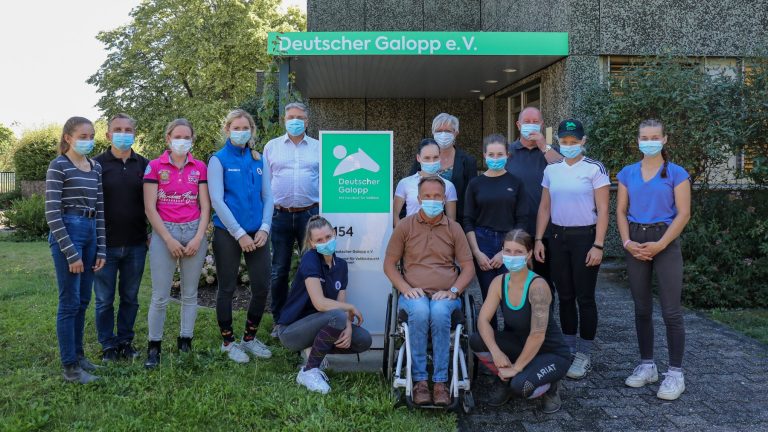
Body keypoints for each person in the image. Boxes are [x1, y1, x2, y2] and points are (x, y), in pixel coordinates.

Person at [383, 176, 476, 406]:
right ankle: (420, 381)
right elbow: (389, 264)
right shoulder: (405, 226)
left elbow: (468, 267)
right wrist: (405, 288)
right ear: (419, 198)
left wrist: (454, 290)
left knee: (439, 311)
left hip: (446, 294)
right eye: (427, 196)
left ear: (444, 199)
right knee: (421, 311)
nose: (432, 200)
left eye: (437, 196)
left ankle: (441, 382)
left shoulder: (454, 228)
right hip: (413, 294)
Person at [617, 119, 691, 401]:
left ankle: (675, 373)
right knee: (642, 308)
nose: (649, 142)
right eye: (644, 137)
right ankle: (647, 365)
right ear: (638, 140)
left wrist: (661, 244)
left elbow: (683, 213)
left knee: (671, 311)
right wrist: (627, 243)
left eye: (654, 137)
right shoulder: (627, 173)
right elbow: (621, 211)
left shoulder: (676, 173)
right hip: (635, 240)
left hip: (665, 240)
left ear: (664, 139)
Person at [534, 119, 610, 380]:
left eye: (573, 141)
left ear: (583, 141)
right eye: (564, 141)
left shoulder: (594, 169)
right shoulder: (552, 170)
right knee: (565, 295)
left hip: (585, 238)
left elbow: (603, 211)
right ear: (558, 142)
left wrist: (598, 244)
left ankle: (584, 354)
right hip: (558, 237)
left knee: (584, 297)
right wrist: (538, 239)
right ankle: (568, 349)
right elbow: (545, 207)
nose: (569, 145)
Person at [470, 229, 569, 414]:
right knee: (476, 340)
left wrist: (516, 368)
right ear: (502, 251)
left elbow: (537, 335)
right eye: (508, 251)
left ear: (529, 254)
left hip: (551, 353)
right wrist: (496, 353)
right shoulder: (499, 282)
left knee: (520, 386)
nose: (512, 256)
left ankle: (551, 386)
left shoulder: (538, 287)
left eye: (518, 252)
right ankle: (505, 378)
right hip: (521, 345)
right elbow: (483, 320)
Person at [277, 215, 372, 394]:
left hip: (320, 324)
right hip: (292, 331)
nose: (325, 242)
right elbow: (320, 304)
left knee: (363, 340)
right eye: (319, 240)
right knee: (336, 315)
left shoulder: (341, 265)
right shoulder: (310, 259)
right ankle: (309, 371)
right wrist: (350, 308)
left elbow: (340, 303)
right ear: (312, 244)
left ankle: (312, 352)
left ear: (334, 234)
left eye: (328, 237)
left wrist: (348, 328)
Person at [143, 118, 210, 368]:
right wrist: (168, 239)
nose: (182, 141)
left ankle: (185, 341)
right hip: (165, 233)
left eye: (187, 137)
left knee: (190, 294)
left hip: (193, 232)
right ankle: (154, 347)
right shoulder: (154, 166)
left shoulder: (199, 167)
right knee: (160, 296)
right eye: (177, 136)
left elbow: (205, 206)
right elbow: (150, 208)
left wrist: (198, 237)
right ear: (168, 139)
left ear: (192, 139)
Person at [208, 109, 274, 363]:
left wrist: (265, 227)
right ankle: (228, 342)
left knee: (261, 286)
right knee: (227, 287)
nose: (241, 132)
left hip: (258, 233)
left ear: (251, 131)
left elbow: (268, 197)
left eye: (245, 128)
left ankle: (249, 338)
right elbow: (217, 200)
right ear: (228, 130)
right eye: (236, 128)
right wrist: (239, 234)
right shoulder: (218, 160)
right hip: (228, 233)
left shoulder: (259, 160)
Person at [45, 116, 106, 383]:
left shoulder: (95, 167)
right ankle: (70, 367)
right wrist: (71, 253)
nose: (88, 141)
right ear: (68, 138)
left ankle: (80, 357)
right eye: (82, 136)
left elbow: (100, 209)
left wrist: (101, 249)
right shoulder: (58, 166)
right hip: (69, 232)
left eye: (91, 136)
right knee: (69, 302)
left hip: (91, 231)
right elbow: (52, 214)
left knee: (83, 301)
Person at [92, 113, 149, 362]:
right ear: (108, 135)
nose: (123, 134)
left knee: (130, 298)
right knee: (104, 300)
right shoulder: (95, 165)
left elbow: (153, 203)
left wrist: (150, 232)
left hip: (137, 243)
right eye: (118, 130)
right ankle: (108, 345)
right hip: (104, 246)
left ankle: (125, 341)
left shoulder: (145, 165)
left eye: (128, 130)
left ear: (134, 134)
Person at [263, 101, 320, 336]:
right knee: (279, 269)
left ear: (307, 121)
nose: (295, 121)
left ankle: (305, 316)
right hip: (280, 215)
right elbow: (265, 183)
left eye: (300, 117)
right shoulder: (272, 147)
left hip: (310, 215)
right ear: (284, 120)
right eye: (291, 117)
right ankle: (280, 320)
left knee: (311, 268)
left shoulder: (318, 147)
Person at [464, 134, 528, 328]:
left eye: (500, 154)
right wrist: (477, 252)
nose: (495, 158)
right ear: (484, 155)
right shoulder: (475, 184)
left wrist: (505, 252)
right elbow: (468, 220)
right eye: (491, 154)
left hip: (510, 243)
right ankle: (489, 341)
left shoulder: (516, 183)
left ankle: (510, 339)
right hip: (482, 243)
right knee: (488, 297)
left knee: (511, 297)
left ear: (507, 155)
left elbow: (522, 220)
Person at [505, 107, 562, 286]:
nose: (531, 125)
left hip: (547, 230)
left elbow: (564, 171)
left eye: (535, 122)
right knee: (516, 283)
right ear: (518, 125)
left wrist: (544, 146)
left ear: (542, 124)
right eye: (527, 122)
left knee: (545, 282)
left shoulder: (551, 151)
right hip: (515, 229)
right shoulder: (507, 152)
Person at [408, 113, 477, 227]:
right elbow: (410, 186)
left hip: (456, 222)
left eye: (448, 131)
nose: (443, 134)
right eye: (439, 131)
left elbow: (471, 198)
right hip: (421, 221)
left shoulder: (468, 161)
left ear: (456, 133)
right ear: (433, 133)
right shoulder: (423, 158)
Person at [394, 138, 458, 225]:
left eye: (435, 157)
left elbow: (451, 221)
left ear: (440, 157)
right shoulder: (405, 183)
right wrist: (402, 231)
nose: (432, 162)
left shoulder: (449, 186)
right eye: (427, 158)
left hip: (437, 232)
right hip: (410, 232)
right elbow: (395, 214)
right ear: (418, 158)